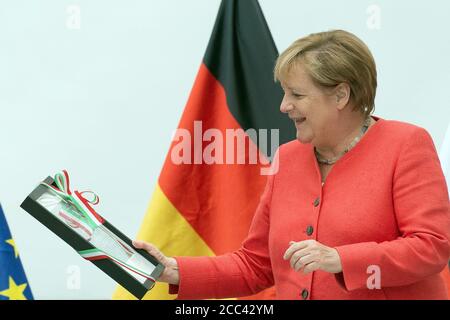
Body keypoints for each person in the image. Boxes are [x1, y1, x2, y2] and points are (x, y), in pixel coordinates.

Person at [134, 30, 450, 299]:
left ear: (341, 95)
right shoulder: (287, 158)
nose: (284, 106)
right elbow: (255, 266)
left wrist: (341, 258)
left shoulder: (406, 144)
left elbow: (432, 247)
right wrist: (173, 270)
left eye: (296, 94)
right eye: (284, 93)